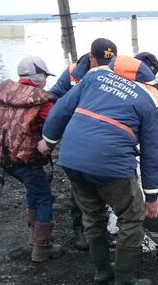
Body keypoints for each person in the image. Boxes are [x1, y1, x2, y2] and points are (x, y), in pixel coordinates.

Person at [38, 49, 158, 285]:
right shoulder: (154, 99)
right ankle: (124, 281)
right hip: (111, 165)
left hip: (72, 159)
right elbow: (152, 154)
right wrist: (151, 198)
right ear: (152, 76)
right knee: (131, 217)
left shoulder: (96, 76)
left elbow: (62, 109)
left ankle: (102, 271)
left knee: (93, 215)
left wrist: (48, 140)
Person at [0, 56, 62, 263]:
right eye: (45, 76)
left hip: (3, 159)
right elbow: (56, 124)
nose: (46, 81)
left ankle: (34, 237)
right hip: (26, 160)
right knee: (44, 197)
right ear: (38, 76)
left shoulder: (5, 94)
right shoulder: (42, 101)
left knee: (34, 190)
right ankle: (42, 247)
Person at [48, 38, 118, 251]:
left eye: (110, 62)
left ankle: (101, 230)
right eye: (101, 62)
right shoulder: (72, 74)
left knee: (103, 185)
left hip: (101, 136)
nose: (106, 66)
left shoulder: (114, 73)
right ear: (90, 58)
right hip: (75, 135)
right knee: (78, 187)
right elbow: (53, 99)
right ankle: (80, 230)